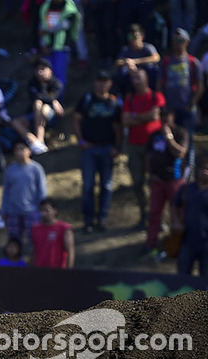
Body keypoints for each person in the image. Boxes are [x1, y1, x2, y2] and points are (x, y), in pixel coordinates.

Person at [74, 70, 122, 233]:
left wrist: (117, 146)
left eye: (105, 81)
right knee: (88, 186)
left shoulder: (114, 103)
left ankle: (102, 219)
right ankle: (88, 221)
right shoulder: (87, 100)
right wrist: (80, 140)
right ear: (95, 82)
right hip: (89, 149)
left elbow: (118, 127)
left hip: (108, 148)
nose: (102, 84)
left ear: (110, 84)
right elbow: (76, 120)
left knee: (106, 186)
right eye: (99, 80)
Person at [122, 69, 166, 230]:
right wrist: (142, 117)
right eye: (133, 79)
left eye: (139, 77)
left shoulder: (156, 96)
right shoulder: (130, 99)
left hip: (154, 146)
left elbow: (155, 116)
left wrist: (136, 117)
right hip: (134, 146)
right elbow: (125, 120)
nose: (136, 81)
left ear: (147, 79)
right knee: (138, 182)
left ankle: (159, 219)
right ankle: (144, 216)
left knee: (155, 182)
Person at [144, 108, 188, 256]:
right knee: (154, 213)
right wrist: (151, 174)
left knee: (177, 214)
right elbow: (148, 157)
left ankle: (177, 246)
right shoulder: (154, 135)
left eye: (167, 116)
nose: (164, 119)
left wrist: (169, 138)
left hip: (174, 181)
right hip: (157, 181)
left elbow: (180, 152)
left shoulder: (181, 133)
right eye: (162, 116)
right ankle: (151, 244)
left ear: (173, 116)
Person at [158, 29, 203, 172]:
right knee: (169, 139)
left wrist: (193, 103)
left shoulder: (193, 62)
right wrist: (163, 105)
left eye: (180, 41)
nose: (177, 44)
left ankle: (188, 171)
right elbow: (159, 84)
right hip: (170, 109)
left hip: (186, 108)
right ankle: (172, 171)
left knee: (188, 140)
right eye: (175, 41)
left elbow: (200, 86)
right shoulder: (166, 61)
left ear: (187, 42)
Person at [0, 140, 47, 246]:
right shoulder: (10, 169)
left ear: (29, 151)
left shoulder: (36, 169)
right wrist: (3, 210)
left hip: (32, 211)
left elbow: (42, 190)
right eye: (17, 149)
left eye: (22, 149)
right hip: (13, 212)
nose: (20, 152)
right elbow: (6, 191)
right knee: (14, 241)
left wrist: (43, 209)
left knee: (35, 241)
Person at [12, 58, 63, 155]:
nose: (40, 72)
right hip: (34, 115)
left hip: (51, 115)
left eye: (43, 69)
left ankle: (40, 139)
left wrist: (51, 99)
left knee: (40, 105)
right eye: (38, 70)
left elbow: (50, 96)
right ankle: (35, 142)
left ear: (50, 70)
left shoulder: (56, 83)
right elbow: (36, 96)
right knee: (15, 122)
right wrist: (52, 100)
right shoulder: (32, 83)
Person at [38, 0, 81, 95]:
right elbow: (42, 25)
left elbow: (65, 26)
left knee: (59, 75)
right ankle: (46, 99)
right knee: (46, 75)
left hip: (62, 47)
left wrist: (47, 30)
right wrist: (43, 44)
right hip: (48, 46)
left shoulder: (69, 8)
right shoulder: (46, 6)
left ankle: (58, 100)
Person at [174, 155, 208, 278]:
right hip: (187, 240)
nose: (205, 172)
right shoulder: (187, 188)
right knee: (182, 277)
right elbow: (175, 205)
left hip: (206, 242)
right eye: (203, 168)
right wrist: (177, 222)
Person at [114, 23, 160, 97]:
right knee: (122, 72)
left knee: (152, 69)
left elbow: (156, 58)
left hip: (146, 74)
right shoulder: (125, 49)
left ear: (142, 36)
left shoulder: (147, 47)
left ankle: (153, 92)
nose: (133, 40)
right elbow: (117, 62)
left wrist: (135, 61)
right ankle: (127, 94)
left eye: (135, 36)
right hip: (131, 73)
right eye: (130, 37)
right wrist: (127, 62)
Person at [31, 197, 75, 268]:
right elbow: (34, 251)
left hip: (57, 270)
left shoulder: (64, 228)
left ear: (55, 211)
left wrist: (69, 272)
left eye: (47, 210)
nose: (44, 213)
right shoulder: (35, 228)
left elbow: (70, 251)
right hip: (39, 270)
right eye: (42, 210)